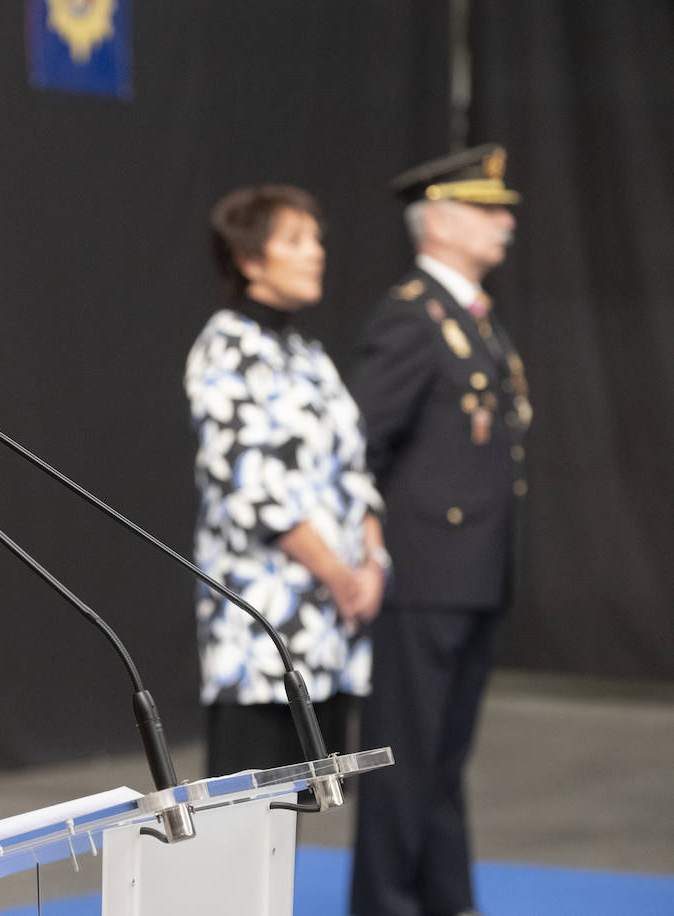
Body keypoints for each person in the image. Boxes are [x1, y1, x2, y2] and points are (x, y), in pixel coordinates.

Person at [349, 144, 529, 916]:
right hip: (422, 574)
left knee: (445, 757)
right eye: (489, 209)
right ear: (443, 220)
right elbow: (353, 444)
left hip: (472, 569)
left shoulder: (472, 319)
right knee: (405, 757)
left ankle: (445, 897)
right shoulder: (412, 317)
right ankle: (386, 903)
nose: (506, 224)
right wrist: (370, 548)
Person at [185, 185, 387, 781]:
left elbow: (357, 471)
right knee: (244, 826)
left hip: (329, 628)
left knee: (299, 812)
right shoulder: (224, 348)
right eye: (295, 241)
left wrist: (373, 562)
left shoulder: (307, 353)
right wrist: (341, 576)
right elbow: (254, 490)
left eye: (317, 239)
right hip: (262, 632)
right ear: (249, 260)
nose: (316, 252)